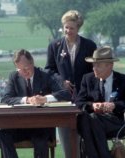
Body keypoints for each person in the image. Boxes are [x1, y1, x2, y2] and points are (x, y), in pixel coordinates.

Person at [0, 49, 71, 158]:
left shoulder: (46, 75)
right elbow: (6, 98)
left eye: (26, 68)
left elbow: (66, 93)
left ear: (32, 63)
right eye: (20, 70)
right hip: (20, 126)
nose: (24, 72)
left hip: (42, 125)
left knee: (40, 139)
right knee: (2, 135)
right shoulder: (14, 77)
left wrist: (45, 99)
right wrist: (26, 100)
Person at [45, 10, 97, 158]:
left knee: (86, 135)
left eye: (71, 28)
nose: (68, 31)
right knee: (67, 138)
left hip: (85, 98)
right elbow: (49, 70)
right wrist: (61, 81)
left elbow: (95, 70)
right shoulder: (54, 46)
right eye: (65, 27)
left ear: (78, 28)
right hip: (63, 99)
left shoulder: (89, 45)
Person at [75, 46, 125, 158]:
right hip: (93, 121)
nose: (94, 68)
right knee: (86, 118)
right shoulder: (87, 79)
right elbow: (78, 102)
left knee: (89, 120)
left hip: (116, 122)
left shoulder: (123, 80)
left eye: (98, 65)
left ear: (110, 65)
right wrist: (93, 105)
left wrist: (115, 105)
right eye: (93, 65)